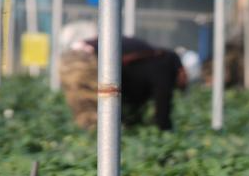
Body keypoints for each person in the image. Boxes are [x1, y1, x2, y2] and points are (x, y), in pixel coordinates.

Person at [59, 21, 188, 131]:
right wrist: (166, 130)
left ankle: (91, 138)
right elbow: (162, 109)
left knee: (85, 107)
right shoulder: (163, 66)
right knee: (98, 110)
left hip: (72, 59)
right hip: (87, 62)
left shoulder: (153, 56)